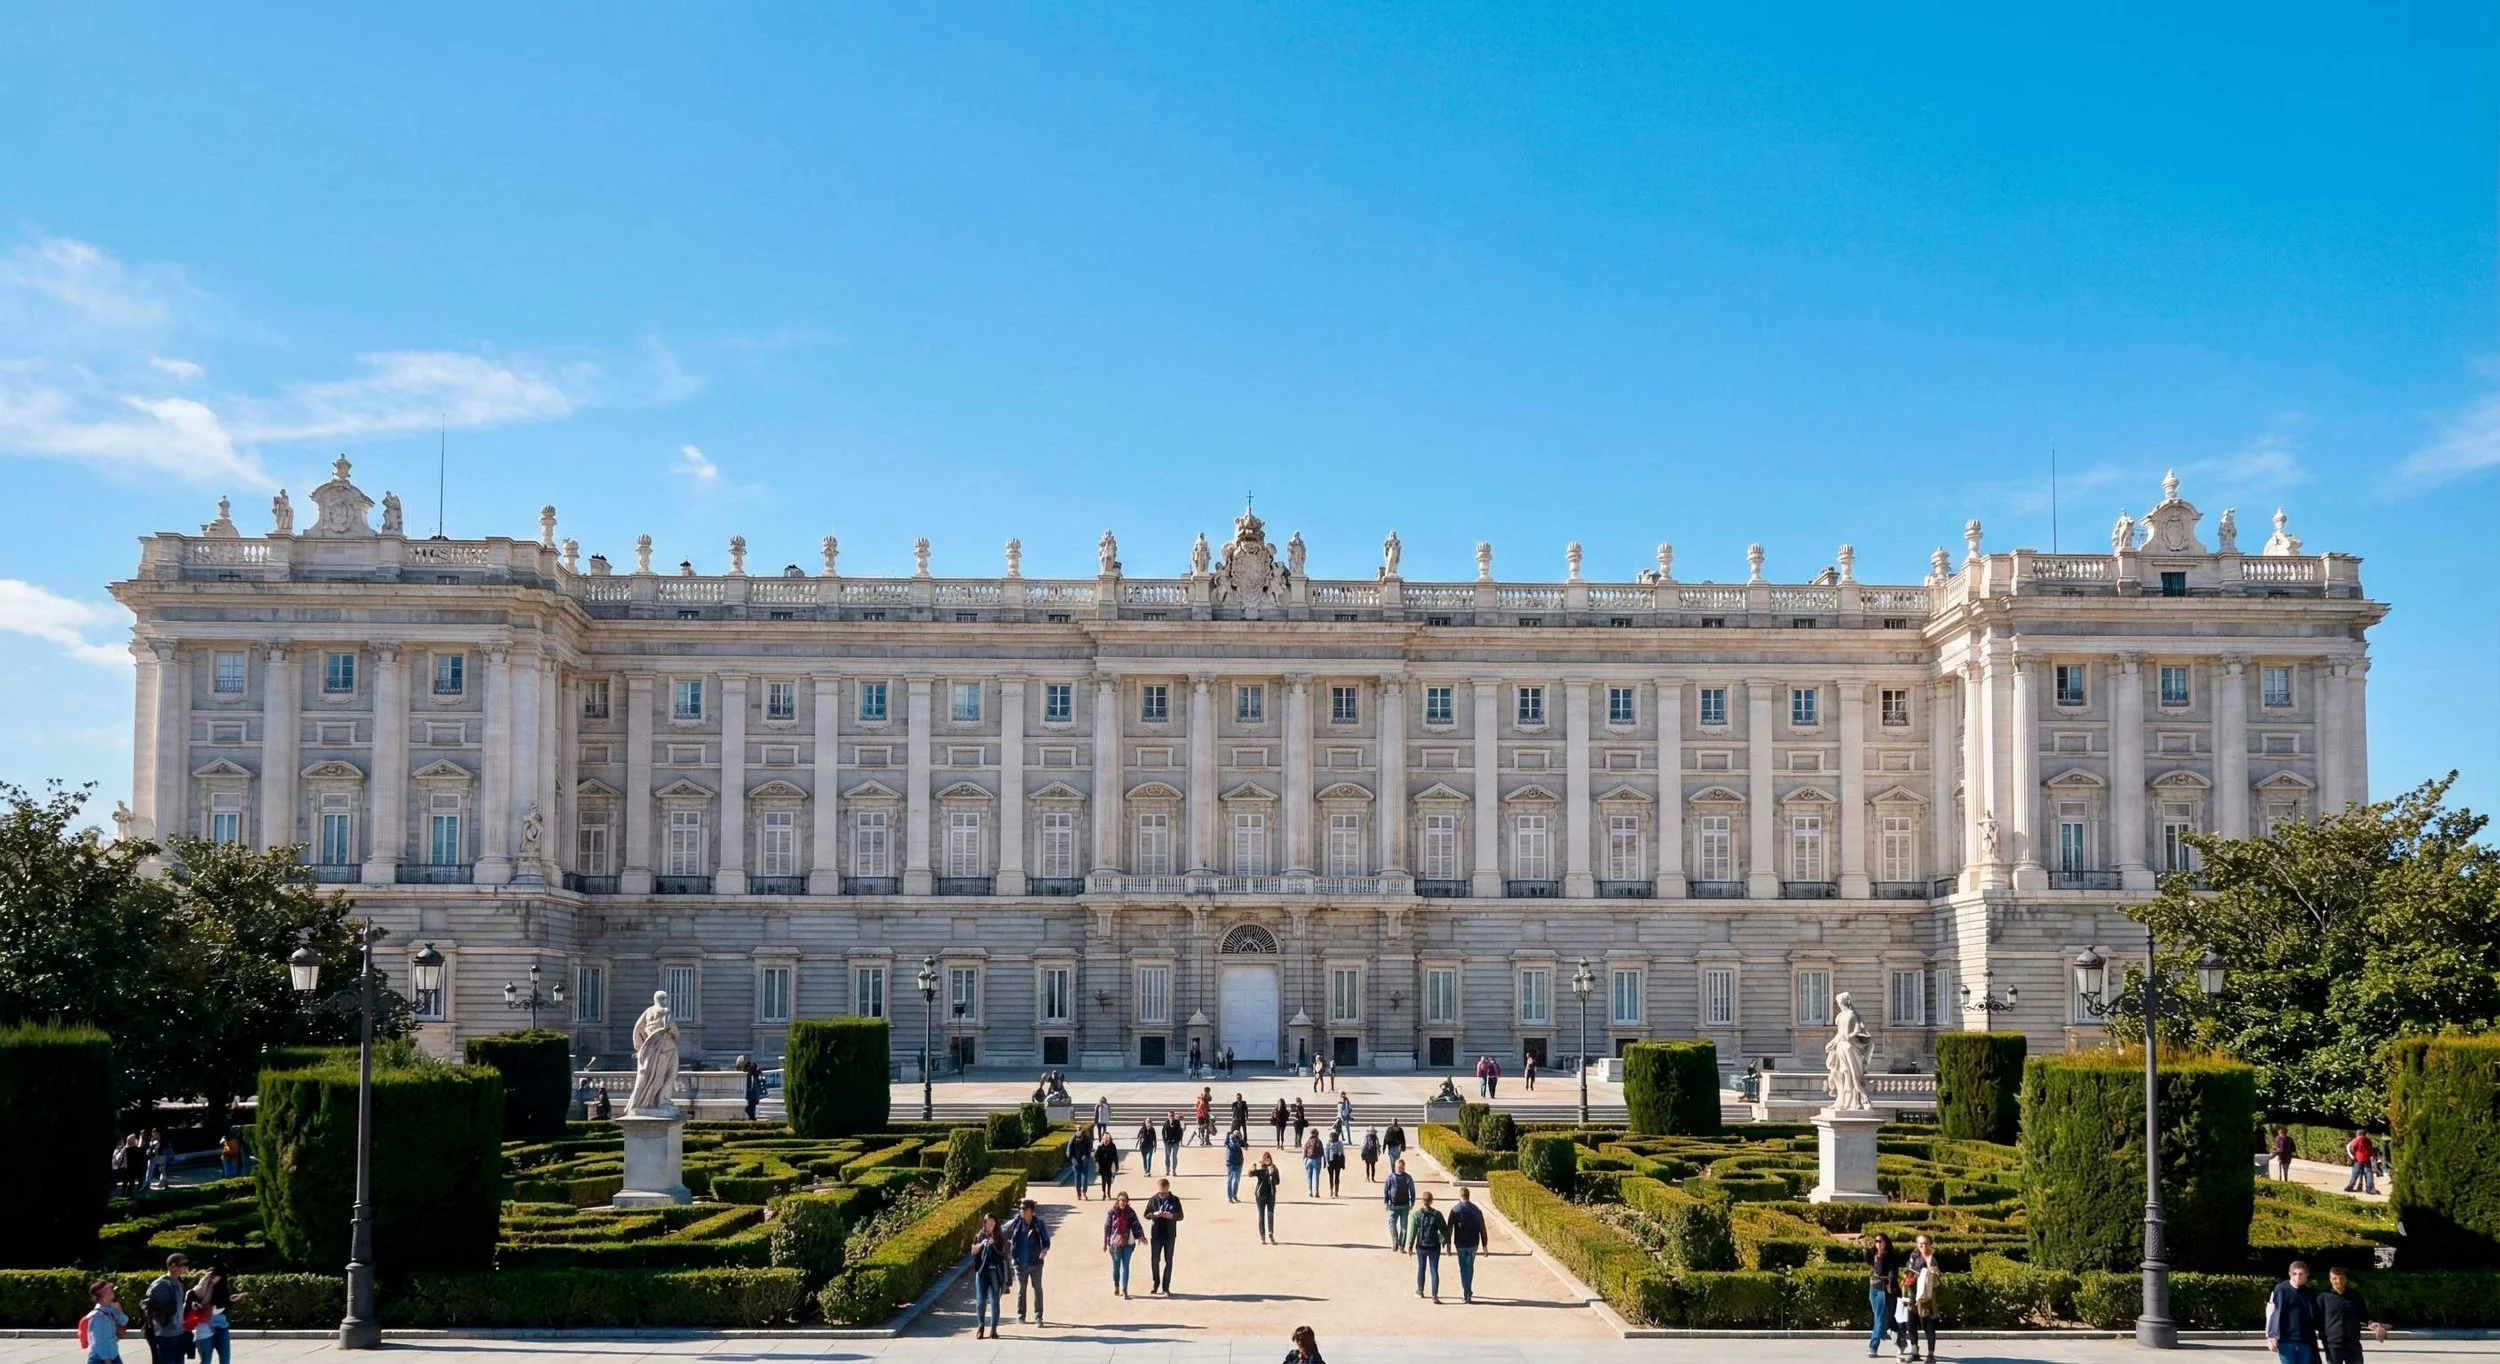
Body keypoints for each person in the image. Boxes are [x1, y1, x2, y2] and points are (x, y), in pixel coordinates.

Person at [2318, 1266, 2388, 1364]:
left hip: (2352, 1342)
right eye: (2334, 1278)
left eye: (2341, 1278)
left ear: (2346, 1279)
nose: (2338, 1281)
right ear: (2330, 1279)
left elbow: (2364, 1315)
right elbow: (2318, 1320)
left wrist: (2374, 1325)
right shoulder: (2323, 1297)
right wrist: (2324, 1337)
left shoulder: (2355, 1296)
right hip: (2333, 1344)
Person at [1006, 1197, 1051, 1326]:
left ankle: (1038, 1317)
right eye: (1021, 1209)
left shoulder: (1038, 1223)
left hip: (1036, 1262)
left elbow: (1046, 1240)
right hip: (1020, 1262)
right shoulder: (1015, 1223)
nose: (1022, 1211)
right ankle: (1021, 1316)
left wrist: (1044, 1250)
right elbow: (1004, 1233)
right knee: (1021, 1289)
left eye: (1025, 1209)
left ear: (1031, 1211)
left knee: (1037, 1289)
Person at [2267, 1261, 2323, 1364]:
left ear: (2306, 1275)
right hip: (2285, 1340)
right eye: (2295, 1274)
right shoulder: (2280, 1290)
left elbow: (2316, 1317)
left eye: (2301, 1274)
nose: (2298, 1277)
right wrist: (2271, 1336)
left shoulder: (2310, 1293)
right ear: (2289, 1274)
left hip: (2305, 1340)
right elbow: (2271, 1313)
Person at [140, 1255, 188, 1364]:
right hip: (164, 1335)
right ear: (172, 1266)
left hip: (178, 1333)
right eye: (183, 1264)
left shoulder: (179, 1283)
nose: (186, 1267)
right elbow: (154, 1310)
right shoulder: (161, 1285)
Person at [967, 1215, 1008, 1338]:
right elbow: (973, 1251)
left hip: (995, 1271)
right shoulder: (979, 1235)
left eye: (992, 1222)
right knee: (981, 1300)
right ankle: (981, 1326)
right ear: (984, 1224)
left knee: (995, 1300)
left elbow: (1005, 1253)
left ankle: (993, 1329)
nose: (990, 1225)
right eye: (988, 1223)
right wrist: (982, 1244)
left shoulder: (1000, 1236)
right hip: (981, 1271)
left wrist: (994, 1246)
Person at [1449, 1186, 1489, 1303]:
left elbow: (1449, 1228)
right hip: (1473, 1243)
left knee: (1463, 1268)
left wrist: (1448, 1244)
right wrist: (1485, 1245)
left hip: (1460, 1243)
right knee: (1470, 1266)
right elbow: (1482, 1228)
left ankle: (1466, 1292)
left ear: (1460, 1196)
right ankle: (1468, 1291)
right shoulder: (1476, 1210)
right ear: (1468, 1196)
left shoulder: (1455, 1210)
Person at [1144, 1178, 1184, 1294]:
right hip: (1156, 1234)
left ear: (1168, 1188)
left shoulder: (1175, 1200)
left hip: (1169, 1234)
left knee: (1169, 1261)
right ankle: (1156, 1283)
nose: (1162, 1194)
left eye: (1164, 1192)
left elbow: (1181, 1216)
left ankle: (1166, 1287)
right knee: (1155, 1260)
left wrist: (1172, 1216)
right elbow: (1146, 1214)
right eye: (1161, 1192)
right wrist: (1154, 1214)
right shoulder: (1153, 1199)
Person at [1408, 1190, 1450, 1301]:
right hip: (1434, 1246)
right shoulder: (1437, 1214)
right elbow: (1444, 1229)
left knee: (1421, 1268)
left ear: (1422, 1201)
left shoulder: (1416, 1215)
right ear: (1431, 1201)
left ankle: (1420, 1290)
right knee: (1434, 1270)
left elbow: (1412, 1232)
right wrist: (1443, 1240)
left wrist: (1410, 1245)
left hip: (1421, 1246)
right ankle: (1434, 1295)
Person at [1900, 1242, 1938, 1362]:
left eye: (1925, 1244)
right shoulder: (1913, 1257)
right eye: (1920, 1244)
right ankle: (1914, 1351)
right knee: (1911, 1324)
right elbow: (1907, 1273)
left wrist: (1928, 1267)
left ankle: (1930, 1354)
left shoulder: (1932, 1259)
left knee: (1928, 1325)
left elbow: (1936, 1279)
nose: (1923, 1246)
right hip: (1912, 1294)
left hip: (1926, 1298)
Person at [1102, 1191, 1143, 1299]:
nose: (1122, 1202)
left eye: (1124, 1200)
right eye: (1120, 1200)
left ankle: (1125, 1289)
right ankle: (1116, 1285)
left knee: (1126, 1266)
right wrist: (1105, 1243)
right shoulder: (1112, 1212)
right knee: (1116, 1266)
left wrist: (1140, 1236)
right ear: (1117, 1201)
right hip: (1115, 1244)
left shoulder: (1131, 1212)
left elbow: (1136, 1225)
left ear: (1127, 1201)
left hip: (1128, 1243)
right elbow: (1107, 1227)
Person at [189, 1267, 232, 1364]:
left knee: (225, 1360)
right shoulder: (202, 1286)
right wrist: (205, 1281)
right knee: (205, 1360)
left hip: (221, 1327)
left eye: (216, 1275)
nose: (213, 1277)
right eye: (211, 1275)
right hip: (204, 1328)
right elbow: (195, 1298)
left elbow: (223, 1306)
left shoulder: (222, 1289)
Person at [1864, 1233, 1897, 1358]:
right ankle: (1886, 1332)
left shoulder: (1890, 1256)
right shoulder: (1873, 1254)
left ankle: (1873, 1346)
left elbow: (1892, 1271)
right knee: (1879, 1316)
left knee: (1879, 1317)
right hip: (1874, 1288)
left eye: (1880, 1241)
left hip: (1884, 1289)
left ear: (1885, 1242)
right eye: (1876, 1241)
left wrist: (1889, 1281)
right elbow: (1868, 1261)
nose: (1878, 1244)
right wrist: (1865, 1247)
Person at [82, 1279, 129, 1364]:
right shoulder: (96, 1316)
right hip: (99, 1359)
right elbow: (98, 1341)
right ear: (103, 1295)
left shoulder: (111, 1309)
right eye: (110, 1291)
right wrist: (107, 1360)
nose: (113, 1293)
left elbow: (124, 1321)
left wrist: (119, 1311)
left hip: (114, 1355)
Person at [1383, 1158, 1417, 1251]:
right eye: (1399, 1167)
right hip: (1393, 1205)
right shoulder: (1390, 1177)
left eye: (1402, 1167)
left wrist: (1412, 1202)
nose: (1400, 1169)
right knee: (1391, 1223)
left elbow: (1412, 1190)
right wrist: (1386, 1202)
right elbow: (1386, 1190)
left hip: (1404, 1206)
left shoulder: (1408, 1177)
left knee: (1404, 1226)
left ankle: (1402, 1245)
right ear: (1395, 1167)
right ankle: (1395, 1240)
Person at [1250, 1152, 1283, 1244]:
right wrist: (1252, 1169)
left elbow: (1277, 1182)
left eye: (1269, 1159)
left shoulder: (1274, 1169)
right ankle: (1262, 1236)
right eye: (1266, 1160)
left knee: (1270, 1214)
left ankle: (1271, 1234)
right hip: (1260, 1195)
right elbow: (1251, 1174)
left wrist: (1273, 1174)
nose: (1268, 1161)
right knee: (1261, 1215)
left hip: (1271, 1195)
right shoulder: (1261, 1169)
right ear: (1264, 1160)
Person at [1069, 1124, 1096, 1199]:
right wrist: (1073, 1159)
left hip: (1082, 1160)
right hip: (1078, 1160)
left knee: (1082, 1177)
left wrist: (1085, 1156)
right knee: (1080, 1177)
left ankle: (1082, 1193)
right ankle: (1080, 1193)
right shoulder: (1077, 1139)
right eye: (1078, 1129)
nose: (1078, 1131)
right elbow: (1069, 1151)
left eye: (1079, 1129)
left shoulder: (1075, 1138)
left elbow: (1089, 1148)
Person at [1224, 1124, 1248, 1201]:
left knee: (1236, 1180)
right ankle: (1230, 1196)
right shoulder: (1231, 1139)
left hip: (1238, 1161)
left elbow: (1245, 1146)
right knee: (1231, 1179)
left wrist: (1242, 1141)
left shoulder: (1237, 1140)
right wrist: (1239, 1140)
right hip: (1231, 1161)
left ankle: (1234, 1195)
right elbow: (1234, 1146)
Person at [738, 1056, 765, 1121]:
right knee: (749, 1110)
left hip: (751, 1095)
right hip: (749, 1095)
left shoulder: (753, 1075)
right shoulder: (748, 1075)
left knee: (751, 1110)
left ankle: (752, 1118)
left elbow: (757, 1084)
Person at [1093, 1130, 1120, 1196]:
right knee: (1103, 1180)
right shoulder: (1100, 1146)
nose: (1106, 1140)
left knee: (1109, 1180)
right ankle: (1104, 1193)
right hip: (1102, 1165)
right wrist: (1099, 1146)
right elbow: (1095, 1155)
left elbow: (1115, 1156)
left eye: (1107, 1139)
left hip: (1109, 1165)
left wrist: (1116, 1165)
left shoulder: (1112, 1146)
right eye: (1104, 1139)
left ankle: (1108, 1191)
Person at [1301, 1131, 1324, 1197]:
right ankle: (1316, 1192)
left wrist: (1304, 1160)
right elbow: (1322, 1152)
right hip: (1317, 1159)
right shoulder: (1319, 1141)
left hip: (1308, 1159)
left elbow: (1305, 1150)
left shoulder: (1308, 1141)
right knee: (1316, 1176)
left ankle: (1310, 1191)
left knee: (1309, 1176)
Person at [1324, 1129, 1346, 1197]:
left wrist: (1326, 1162)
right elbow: (1342, 1153)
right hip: (1338, 1162)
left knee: (1331, 1177)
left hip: (1330, 1162)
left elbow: (1326, 1154)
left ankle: (1331, 1191)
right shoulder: (1340, 1143)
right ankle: (1336, 1192)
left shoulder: (1328, 1143)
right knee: (1337, 1177)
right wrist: (1343, 1163)